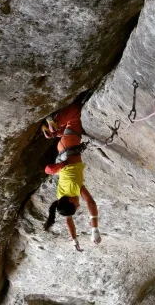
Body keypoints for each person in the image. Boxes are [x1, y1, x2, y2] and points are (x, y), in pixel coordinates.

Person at [42, 102, 101, 251]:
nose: (78, 204)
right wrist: (74, 240)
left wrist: (94, 229)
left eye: (76, 205)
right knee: (70, 127)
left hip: (70, 144)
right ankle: (54, 133)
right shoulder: (60, 196)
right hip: (62, 149)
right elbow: (68, 220)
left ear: (70, 200)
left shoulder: (75, 189)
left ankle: (55, 123)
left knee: (75, 112)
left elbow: (91, 202)